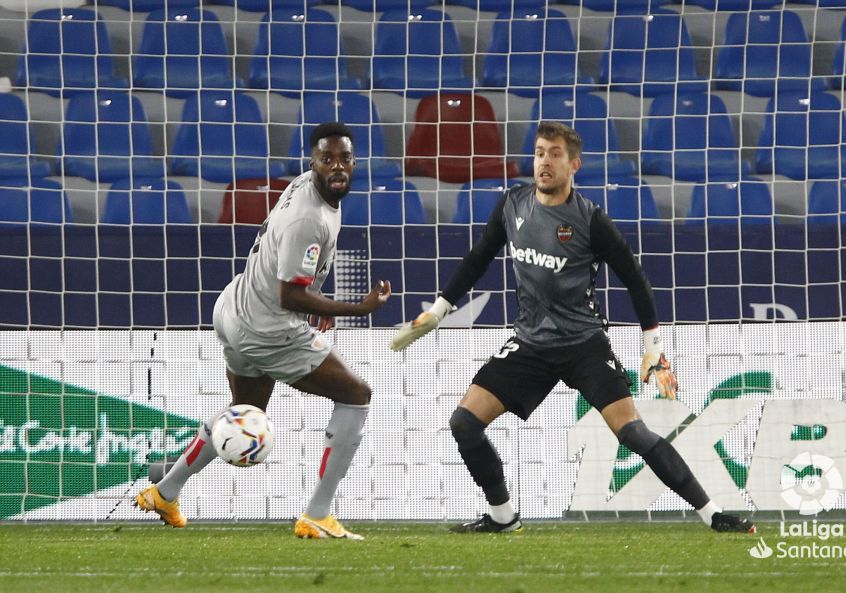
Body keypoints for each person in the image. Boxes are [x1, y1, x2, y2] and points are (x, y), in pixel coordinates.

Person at [390, 121, 756, 535]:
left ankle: (713, 514)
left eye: (555, 154)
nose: (545, 161)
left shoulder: (589, 219)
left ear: (573, 164)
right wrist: (438, 311)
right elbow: (477, 259)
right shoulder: (513, 205)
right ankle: (502, 517)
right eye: (540, 152)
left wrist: (652, 346)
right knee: (464, 423)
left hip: (584, 344)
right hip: (529, 344)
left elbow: (635, 278)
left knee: (632, 432)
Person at [136, 122, 392, 540]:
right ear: (313, 162)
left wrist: (319, 301)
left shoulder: (308, 188)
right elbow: (291, 296)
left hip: (234, 309)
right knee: (356, 394)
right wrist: (354, 307)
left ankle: (165, 490)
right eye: (327, 159)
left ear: (354, 160)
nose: (337, 167)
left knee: (245, 413)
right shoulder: (309, 219)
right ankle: (317, 514)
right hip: (267, 328)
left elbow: (294, 275)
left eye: (344, 158)